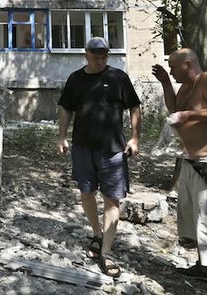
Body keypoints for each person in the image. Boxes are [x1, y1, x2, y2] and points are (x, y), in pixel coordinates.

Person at [152, 48, 207, 294]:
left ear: (188, 64)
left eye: (173, 67)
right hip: (191, 162)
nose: (171, 70)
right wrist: (166, 83)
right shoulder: (185, 88)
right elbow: (174, 110)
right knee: (194, 220)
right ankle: (204, 268)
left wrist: (192, 114)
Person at [57, 36, 141, 278]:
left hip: (113, 149)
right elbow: (65, 108)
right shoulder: (76, 78)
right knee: (86, 193)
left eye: (104, 56)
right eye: (96, 57)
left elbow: (134, 107)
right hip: (83, 147)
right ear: (86, 55)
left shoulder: (118, 78)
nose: (101, 61)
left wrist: (135, 138)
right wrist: (61, 136)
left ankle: (106, 252)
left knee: (112, 199)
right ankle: (96, 233)